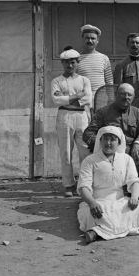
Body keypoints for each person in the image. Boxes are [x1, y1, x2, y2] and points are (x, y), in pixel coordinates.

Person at [77, 126, 139, 243]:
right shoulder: (90, 160)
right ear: (100, 141)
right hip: (98, 201)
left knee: (138, 208)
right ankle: (118, 230)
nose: (108, 143)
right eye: (105, 139)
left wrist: (134, 198)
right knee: (89, 214)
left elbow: (134, 181)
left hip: (120, 201)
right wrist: (92, 203)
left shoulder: (126, 159)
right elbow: (83, 186)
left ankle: (98, 232)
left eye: (112, 139)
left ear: (119, 142)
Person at [82, 83, 139, 177]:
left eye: (129, 95)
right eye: (123, 94)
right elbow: (88, 134)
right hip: (109, 151)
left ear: (133, 97)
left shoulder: (136, 112)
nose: (126, 97)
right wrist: (104, 145)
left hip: (131, 150)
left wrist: (138, 143)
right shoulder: (103, 112)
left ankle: (134, 190)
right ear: (116, 95)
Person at [51, 47, 92, 197]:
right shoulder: (56, 81)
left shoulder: (84, 80)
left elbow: (87, 99)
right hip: (64, 116)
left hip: (81, 117)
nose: (70, 66)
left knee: (85, 151)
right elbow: (56, 99)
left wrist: (67, 99)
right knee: (66, 152)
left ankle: (84, 184)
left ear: (77, 63)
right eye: (66, 63)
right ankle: (68, 185)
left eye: (72, 62)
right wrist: (76, 96)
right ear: (62, 63)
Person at [113, 32, 139, 123]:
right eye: (132, 42)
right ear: (127, 45)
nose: (134, 45)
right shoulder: (121, 65)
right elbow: (117, 89)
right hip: (129, 107)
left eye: (137, 43)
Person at [77, 24, 113, 107]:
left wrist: (111, 99)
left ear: (97, 41)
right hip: (83, 100)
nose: (90, 41)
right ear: (83, 39)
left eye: (93, 38)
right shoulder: (76, 59)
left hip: (101, 100)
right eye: (87, 38)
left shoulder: (104, 58)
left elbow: (109, 82)